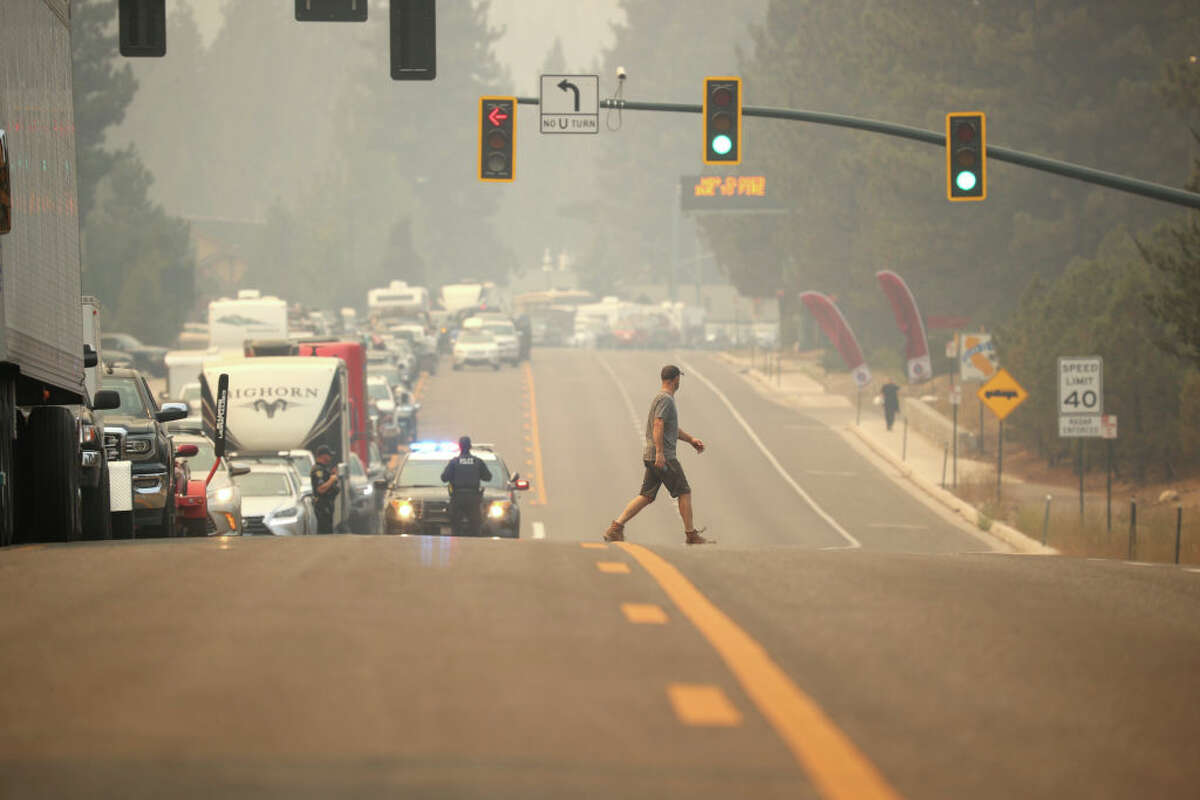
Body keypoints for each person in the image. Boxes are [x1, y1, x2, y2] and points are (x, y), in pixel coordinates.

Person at [604, 365, 713, 545]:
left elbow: (671, 429)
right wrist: (661, 453)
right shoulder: (665, 399)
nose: (680, 382)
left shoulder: (663, 398)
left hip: (651, 454)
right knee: (684, 491)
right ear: (674, 379)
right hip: (663, 456)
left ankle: (615, 528)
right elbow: (658, 425)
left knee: (646, 495)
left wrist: (691, 439)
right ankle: (691, 534)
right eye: (679, 378)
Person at [441, 435, 492, 537]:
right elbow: (488, 477)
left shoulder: (454, 462)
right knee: (475, 527)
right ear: (470, 446)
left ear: (460, 447)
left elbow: (444, 478)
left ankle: (457, 549)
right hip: (473, 498)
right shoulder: (477, 461)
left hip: (457, 497)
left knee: (456, 527)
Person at [310, 445, 339, 534]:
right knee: (324, 532)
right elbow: (320, 489)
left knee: (328, 530)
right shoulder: (318, 470)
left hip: (327, 506)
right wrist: (331, 480)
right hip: (322, 506)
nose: (330, 458)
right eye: (329, 455)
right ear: (323, 456)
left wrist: (332, 474)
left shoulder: (324, 469)